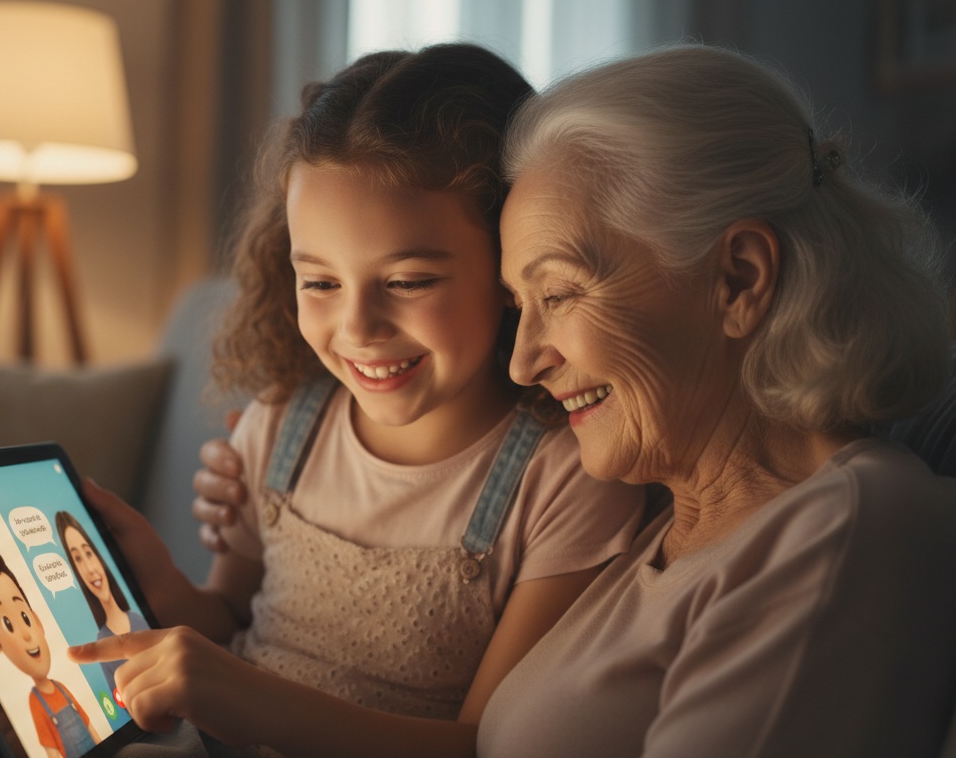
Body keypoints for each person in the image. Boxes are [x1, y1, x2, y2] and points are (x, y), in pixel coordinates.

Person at [181, 44, 956, 757]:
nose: (526, 361)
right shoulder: (663, 521)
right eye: (518, 303)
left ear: (739, 278)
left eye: (561, 294)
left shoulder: (845, 529)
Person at [72, 42, 644, 755]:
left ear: (510, 267)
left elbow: (483, 745)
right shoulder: (281, 424)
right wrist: (162, 586)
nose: (358, 330)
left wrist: (239, 696)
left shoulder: (565, 478)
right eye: (320, 283)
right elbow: (229, 618)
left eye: (408, 282)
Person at [0, 527, 102, 758]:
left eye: (24, 617)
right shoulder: (36, 703)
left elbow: (91, 729)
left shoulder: (63, 688)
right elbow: (51, 752)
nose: (26, 635)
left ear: (37, 620)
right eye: (7, 623)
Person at [54, 511, 148, 697]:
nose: (90, 569)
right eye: (77, 559)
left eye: (88, 553)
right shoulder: (101, 644)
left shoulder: (138, 619)